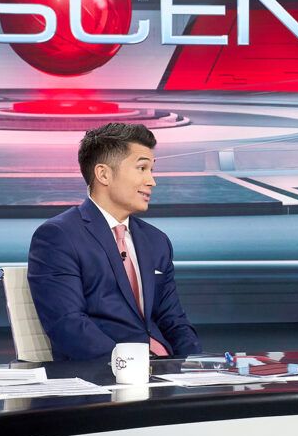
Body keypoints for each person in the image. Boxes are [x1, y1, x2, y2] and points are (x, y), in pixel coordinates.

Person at [28, 123, 201, 362]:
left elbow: (174, 321)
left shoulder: (156, 241)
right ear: (103, 174)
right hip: (106, 373)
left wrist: (196, 365)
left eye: (151, 170)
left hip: (164, 368)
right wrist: (131, 366)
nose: (152, 181)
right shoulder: (58, 236)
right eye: (142, 168)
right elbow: (68, 324)